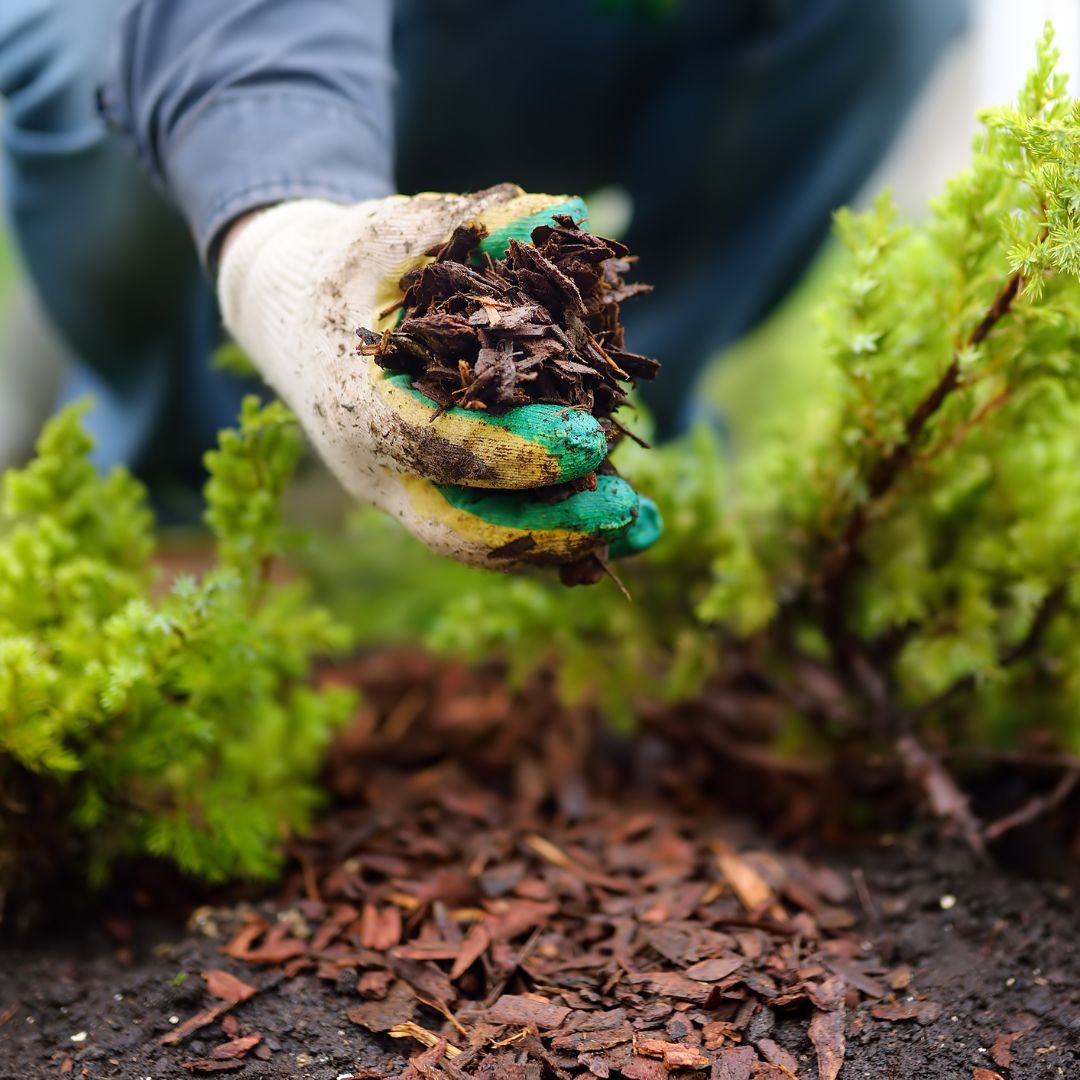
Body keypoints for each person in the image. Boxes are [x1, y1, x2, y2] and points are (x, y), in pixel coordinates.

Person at [0, 0, 968, 569]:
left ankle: (580, 442)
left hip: (534, 43)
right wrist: (280, 243)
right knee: (111, 50)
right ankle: (155, 409)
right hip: (222, 37)